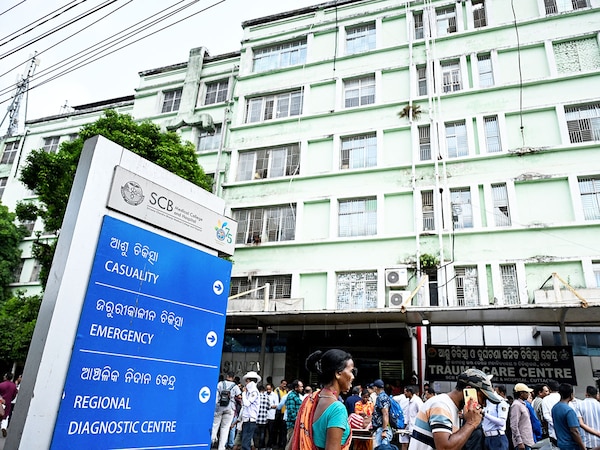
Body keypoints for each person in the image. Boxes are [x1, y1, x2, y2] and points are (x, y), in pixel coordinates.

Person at [408, 368, 502, 450]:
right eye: (483, 398)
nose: (484, 404)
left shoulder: (452, 408)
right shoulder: (441, 405)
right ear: (469, 391)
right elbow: (445, 448)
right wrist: (471, 423)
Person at [291, 348, 354, 450]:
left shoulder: (309, 400)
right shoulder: (338, 409)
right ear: (338, 373)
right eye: (351, 371)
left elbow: (293, 442)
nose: (353, 377)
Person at [551, 383, 585, 450]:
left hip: (561, 444)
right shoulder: (569, 411)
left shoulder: (555, 408)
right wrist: (583, 447)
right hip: (571, 446)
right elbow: (574, 431)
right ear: (571, 394)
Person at [213, 372, 241, 450]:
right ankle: (221, 447)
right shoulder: (235, 386)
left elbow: (215, 395)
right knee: (225, 428)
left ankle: (212, 439)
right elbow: (239, 396)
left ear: (227, 376)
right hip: (230, 408)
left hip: (219, 407)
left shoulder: (220, 384)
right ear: (233, 377)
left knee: (215, 425)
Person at [483, 384, 510, 450]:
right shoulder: (486, 402)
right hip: (487, 438)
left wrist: (485, 414)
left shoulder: (500, 401)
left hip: (497, 437)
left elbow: (502, 422)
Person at [510, 383, 536, 450]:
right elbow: (514, 425)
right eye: (527, 392)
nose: (528, 394)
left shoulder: (522, 404)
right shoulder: (516, 405)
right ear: (521, 393)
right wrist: (519, 442)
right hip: (523, 442)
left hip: (528, 441)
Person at [574, 385, 600, 450]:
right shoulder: (599, 405)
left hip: (587, 441)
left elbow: (581, 424)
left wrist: (596, 433)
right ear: (597, 395)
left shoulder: (579, 405)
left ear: (586, 394)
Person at [241, 371, 261, 450]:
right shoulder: (249, 392)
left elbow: (247, 403)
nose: (246, 383)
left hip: (250, 419)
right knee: (245, 440)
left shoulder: (254, 392)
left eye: (247, 381)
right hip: (247, 418)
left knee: (246, 441)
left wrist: (243, 393)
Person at [372, 379, 394, 447]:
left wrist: (384, 430)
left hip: (382, 428)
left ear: (376, 388)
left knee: (381, 447)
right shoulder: (383, 396)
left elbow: (385, 413)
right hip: (382, 428)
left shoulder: (381, 397)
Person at [284, 379, 304, 450]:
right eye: (301, 387)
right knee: (290, 443)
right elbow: (291, 413)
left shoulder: (297, 396)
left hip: (297, 424)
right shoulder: (291, 396)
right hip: (292, 425)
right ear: (296, 387)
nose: (302, 388)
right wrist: (299, 421)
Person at [542, 380, 560, 448]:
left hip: (553, 432)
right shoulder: (562, 397)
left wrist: (555, 423)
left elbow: (546, 415)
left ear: (549, 389)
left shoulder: (546, 399)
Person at [266, 383, 280, 450]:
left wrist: (270, 406)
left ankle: (269, 445)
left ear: (271, 389)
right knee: (263, 431)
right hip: (264, 415)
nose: (268, 390)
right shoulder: (264, 394)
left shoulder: (275, 395)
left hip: (271, 415)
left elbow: (277, 405)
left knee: (271, 431)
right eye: (267, 389)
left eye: (269, 389)